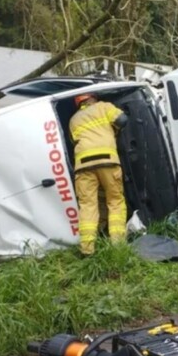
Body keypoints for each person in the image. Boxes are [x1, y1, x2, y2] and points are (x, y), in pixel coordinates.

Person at [69, 93, 129, 255]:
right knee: (115, 201)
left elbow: (74, 141)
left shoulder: (73, 119)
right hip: (108, 160)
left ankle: (87, 249)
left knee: (88, 205)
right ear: (92, 98)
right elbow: (122, 120)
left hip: (83, 165)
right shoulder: (104, 107)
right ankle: (117, 245)